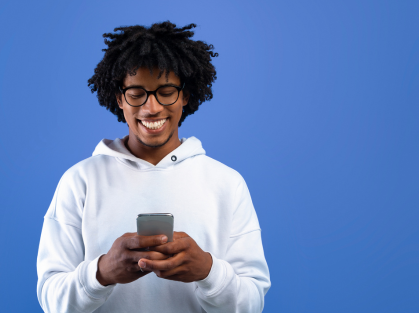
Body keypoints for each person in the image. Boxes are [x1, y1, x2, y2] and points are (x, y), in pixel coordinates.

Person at [36, 21, 271, 313]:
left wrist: (209, 272)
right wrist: (103, 273)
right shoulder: (79, 181)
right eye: (137, 93)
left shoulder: (227, 183)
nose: (152, 108)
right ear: (119, 98)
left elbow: (251, 303)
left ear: (185, 95)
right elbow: (51, 299)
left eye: (166, 91)